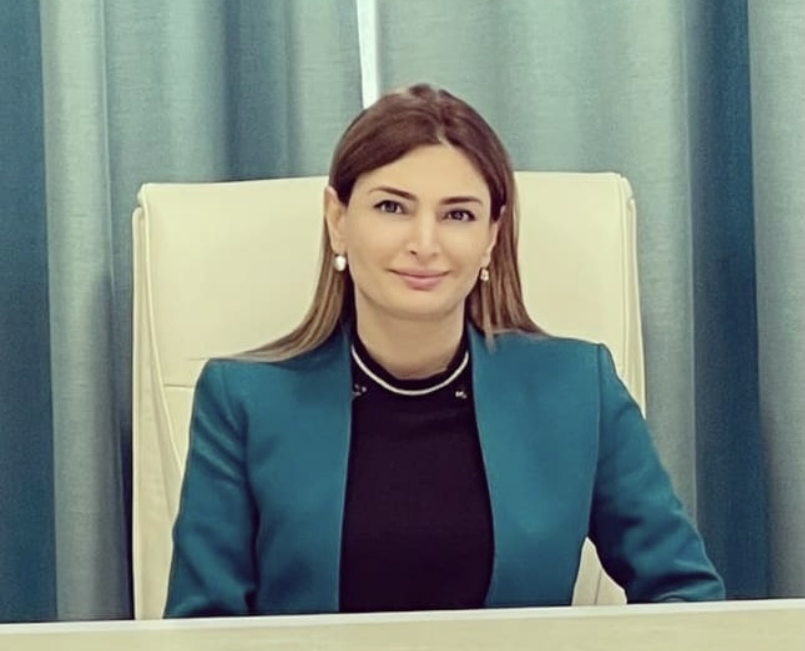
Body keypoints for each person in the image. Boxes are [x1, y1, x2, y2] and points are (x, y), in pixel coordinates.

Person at [164, 83, 724, 618]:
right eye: (392, 207)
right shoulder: (242, 401)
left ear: (491, 236)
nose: (424, 244)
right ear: (338, 220)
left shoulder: (578, 388)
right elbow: (203, 634)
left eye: (457, 215)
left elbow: (686, 596)